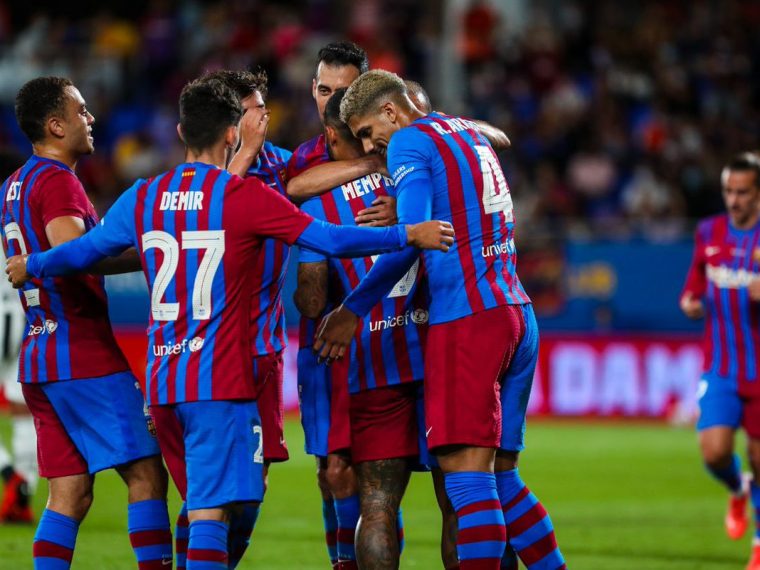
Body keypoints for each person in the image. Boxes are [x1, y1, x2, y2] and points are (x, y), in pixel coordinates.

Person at [6, 77, 454, 569]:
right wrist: (407, 233)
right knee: (212, 512)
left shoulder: (143, 196)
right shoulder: (242, 197)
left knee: (181, 499)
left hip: (162, 384)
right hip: (216, 380)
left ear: (181, 131)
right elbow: (330, 239)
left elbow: (83, 252)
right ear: (231, 135)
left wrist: (33, 265)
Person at [315, 70, 565, 570]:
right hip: (515, 310)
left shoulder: (408, 142)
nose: (369, 146)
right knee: (502, 478)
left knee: (467, 481)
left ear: (390, 111)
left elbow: (414, 239)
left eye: (367, 131)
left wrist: (351, 309)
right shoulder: (466, 130)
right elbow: (453, 203)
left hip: (468, 318)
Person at [1, 77, 171, 569]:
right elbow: (75, 255)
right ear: (56, 125)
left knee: (69, 493)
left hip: (40, 354)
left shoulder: (12, 185)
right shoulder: (57, 181)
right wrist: (157, 250)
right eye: (80, 110)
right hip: (81, 352)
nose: (90, 118)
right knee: (146, 474)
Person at [295, 88, 427, 569]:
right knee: (468, 488)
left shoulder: (315, 198)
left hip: (370, 358)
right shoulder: (419, 173)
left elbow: (312, 301)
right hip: (435, 347)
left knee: (371, 500)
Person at [287, 40, 381, 569]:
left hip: (391, 335)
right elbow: (294, 189)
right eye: (324, 90)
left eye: (343, 91)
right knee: (332, 473)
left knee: (380, 476)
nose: (332, 102)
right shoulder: (304, 158)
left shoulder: (402, 146)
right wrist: (367, 164)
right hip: (327, 344)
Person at [680, 153, 760, 570]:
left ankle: (759, 546)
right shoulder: (709, 232)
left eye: (742, 192)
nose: (734, 200)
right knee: (714, 452)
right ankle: (737, 487)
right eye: (729, 191)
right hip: (721, 367)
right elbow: (694, 283)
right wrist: (689, 302)